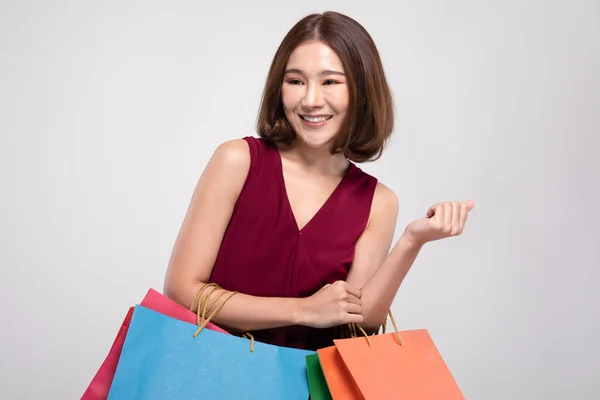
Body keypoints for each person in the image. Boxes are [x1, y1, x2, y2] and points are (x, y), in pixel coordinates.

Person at [162, 11, 474, 351]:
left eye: (330, 82)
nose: (310, 100)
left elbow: (359, 322)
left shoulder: (378, 202)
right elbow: (181, 289)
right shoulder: (238, 160)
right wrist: (303, 310)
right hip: (210, 376)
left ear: (362, 91)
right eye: (295, 81)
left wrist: (413, 241)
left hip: (306, 385)